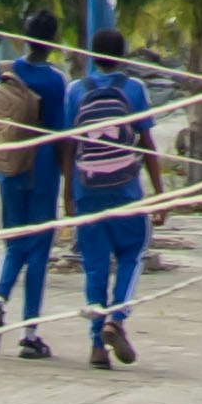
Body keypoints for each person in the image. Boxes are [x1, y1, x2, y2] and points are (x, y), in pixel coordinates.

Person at [0, 18, 79, 361]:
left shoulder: (1, 71)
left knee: (12, 242)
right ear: (53, 41)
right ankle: (29, 334)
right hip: (43, 167)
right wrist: (67, 187)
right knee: (38, 251)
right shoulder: (56, 80)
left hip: (9, 168)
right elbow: (63, 138)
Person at [62, 39, 161, 369]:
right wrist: (160, 194)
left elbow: (67, 146)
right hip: (125, 191)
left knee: (95, 266)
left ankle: (96, 346)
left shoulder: (75, 90)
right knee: (133, 255)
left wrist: (67, 194)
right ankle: (116, 319)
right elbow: (146, 144)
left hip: (87, 189)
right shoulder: (134, 89)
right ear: (122, 56)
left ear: (92, 55)